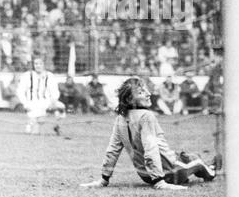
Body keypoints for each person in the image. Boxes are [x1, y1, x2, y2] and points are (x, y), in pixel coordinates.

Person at [80, 77, 221, 190]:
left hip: (145, 175)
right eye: (141, 92)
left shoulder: (120, 118)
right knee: (197, 159)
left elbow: (112, 151)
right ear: (130, 99)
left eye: (147, 90)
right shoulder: (146, 116)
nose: (149, 94)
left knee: (183, 156)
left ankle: (201, 169)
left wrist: (104, 179)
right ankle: (212, 171)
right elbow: (150, 148)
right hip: (169, 172)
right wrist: (159, 181)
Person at [17, 54, 66, 135]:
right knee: (34, 132)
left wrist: (53, 101)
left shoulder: (50, 76)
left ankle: (56, 126)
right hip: (32, 102)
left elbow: (55, 91)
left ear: (44, 65)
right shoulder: (26, 76)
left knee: (61, 107)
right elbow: (20, 91)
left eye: (40, 64)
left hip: (46, 102)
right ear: (33, 65)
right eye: (36, 64)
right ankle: (31, 124)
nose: (38, 66)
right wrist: (25, 104)